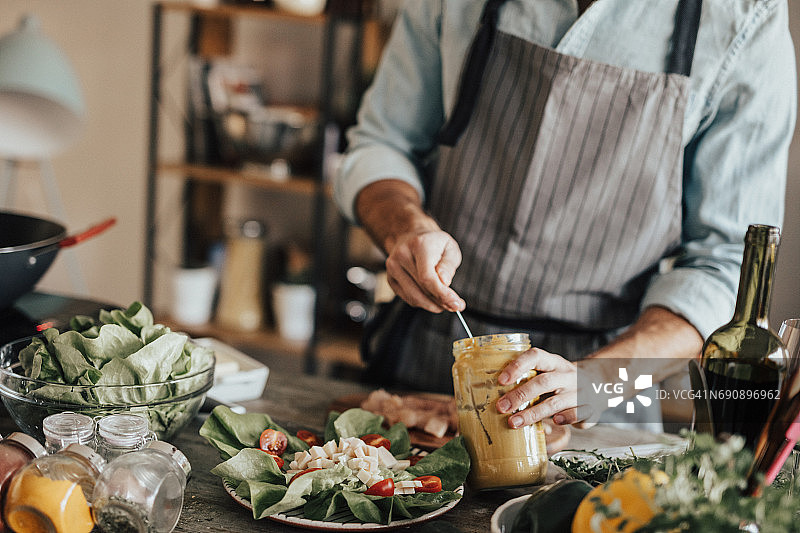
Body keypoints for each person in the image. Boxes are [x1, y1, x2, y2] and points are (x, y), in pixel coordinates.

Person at [334, 0, 796, 431]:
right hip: (431, 355)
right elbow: (383, 142)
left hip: (606, 397)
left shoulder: (745, 16)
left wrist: (601, 378)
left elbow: (725, 265)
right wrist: (405, 226)